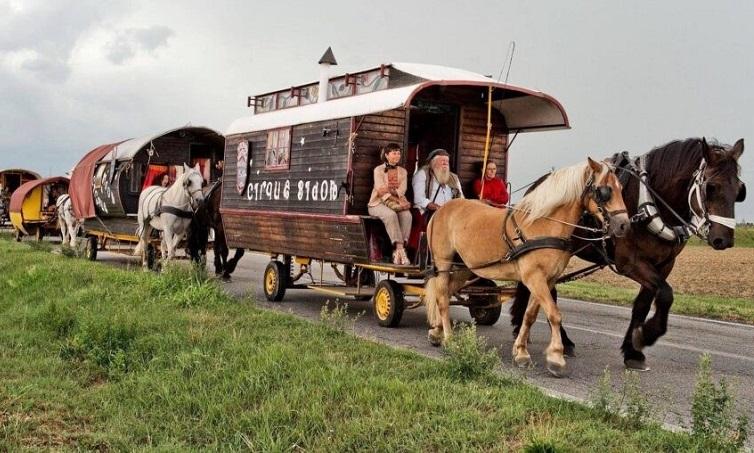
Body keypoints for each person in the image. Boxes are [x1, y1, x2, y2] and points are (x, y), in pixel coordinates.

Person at [368, 143, 412, 265]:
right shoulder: (378, 170)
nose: (397, 156)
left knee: (407, 215)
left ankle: (398, 250)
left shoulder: (403, 171)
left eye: (398, 153)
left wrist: (391, 191)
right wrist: (396, 198)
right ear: (387, 155)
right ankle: (400, 249)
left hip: (397, 202)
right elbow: (380, 190)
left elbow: (402, 190)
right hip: (377, 203)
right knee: (391, 215)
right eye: (394, 153)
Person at [412, 148, 464, 220]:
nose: (445, 163)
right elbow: (418, 198)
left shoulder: (454, 177)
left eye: (447, 161)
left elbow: (461, 196)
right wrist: (437, 207)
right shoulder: (422, 174)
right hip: (430, 212)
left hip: (452, 212)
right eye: (442, 161)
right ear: (433, 162)